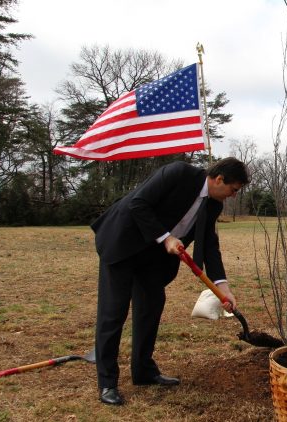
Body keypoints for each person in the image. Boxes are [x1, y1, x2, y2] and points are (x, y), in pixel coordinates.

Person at [91, 158, 249, 405]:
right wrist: (166, 238)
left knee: (150, 308)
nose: (233, 196)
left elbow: (209, 245)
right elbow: (138, 203)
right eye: (234, 189)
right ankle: (107, 383)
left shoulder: (213, 205)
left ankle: (143, 371)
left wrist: (223, 287)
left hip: (154, 259)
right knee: (113, 314)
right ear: (219, 180)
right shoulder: (178, 174)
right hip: (123, 243)